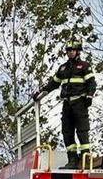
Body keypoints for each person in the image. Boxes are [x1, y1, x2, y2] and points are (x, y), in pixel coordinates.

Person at [34, 40, 96, 169]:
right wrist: (40, 92)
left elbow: (91, 83)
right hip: (67, 104)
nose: (71, 52)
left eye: (73, 50)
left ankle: (86, 158)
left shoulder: (84, 66)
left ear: (78, 51)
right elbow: (53, 84)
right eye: (69, 50)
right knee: (67, 132)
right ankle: (72, 160)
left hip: (80, 102)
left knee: (82, 131)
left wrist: (89, 96)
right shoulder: (63, 68)